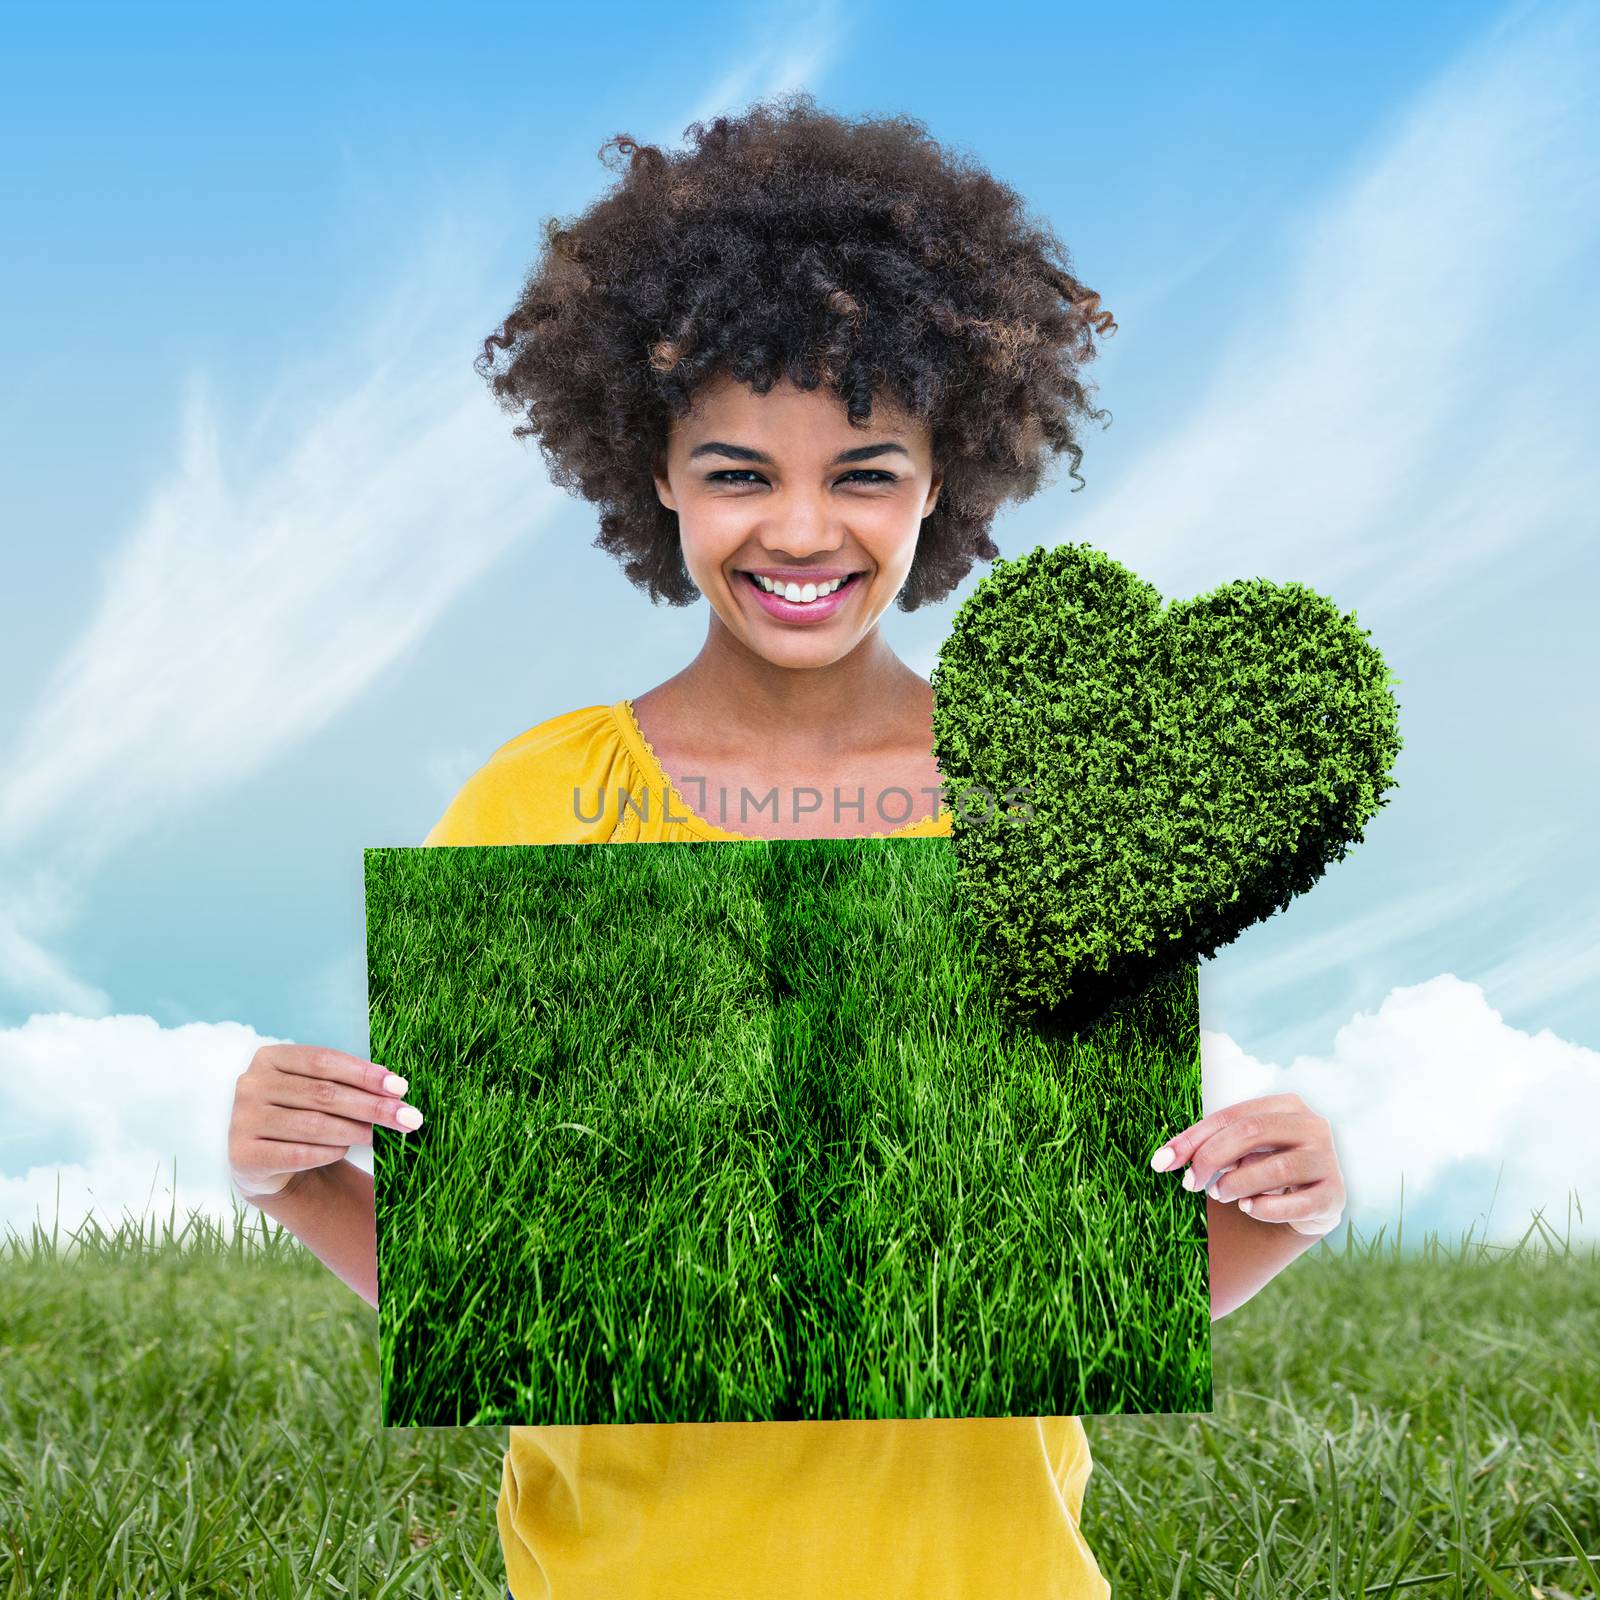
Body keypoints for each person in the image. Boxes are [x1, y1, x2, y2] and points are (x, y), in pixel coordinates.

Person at [227, 94, 1348, 1599]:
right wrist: (292, 1175)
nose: (803, 531)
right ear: (658, 477)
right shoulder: (531, 800)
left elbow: (1075, 1293)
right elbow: (501, 1289)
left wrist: (1288, 1208)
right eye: (740, 471)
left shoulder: (1046, 803)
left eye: (864, 470)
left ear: (944, 477)